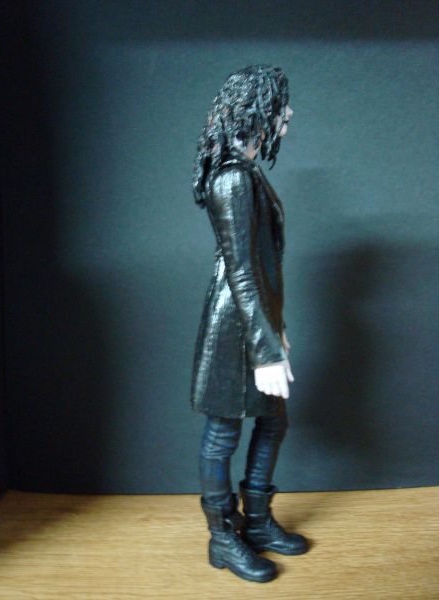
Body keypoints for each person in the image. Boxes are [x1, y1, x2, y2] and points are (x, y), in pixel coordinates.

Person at [190, 64, 309, 583]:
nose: (289, 114)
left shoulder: (247, 170)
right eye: (281, 103)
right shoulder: (233, 177)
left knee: (273, 421)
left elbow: (260, 267)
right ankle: (223, 539)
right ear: (257, 108)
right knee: (223, 433)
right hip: (234, 327)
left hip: (255, 321)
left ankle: (256, 523)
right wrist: (264, 349)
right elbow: (240, 270)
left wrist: (276, 331)